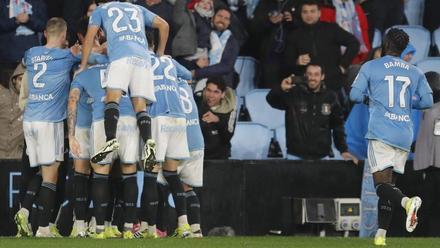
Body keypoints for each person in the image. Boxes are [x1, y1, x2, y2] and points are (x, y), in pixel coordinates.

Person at [350, 28, 433, 246]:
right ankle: (381, 235)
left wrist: (372, 99)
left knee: (380, 185)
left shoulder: (370, 66)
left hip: (381, 131)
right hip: (404, 134)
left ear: (386, 44)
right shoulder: (415, 71)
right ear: (404, 47)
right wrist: (406, 104)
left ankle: (407, 203)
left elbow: (354, 95)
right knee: (390, 184)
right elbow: (427, 102)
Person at [77, 0, 169, 170]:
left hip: (121, 56)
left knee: (112, 99)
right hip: (143, 59)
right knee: (140, 105)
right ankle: (149, 142)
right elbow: (164, 25)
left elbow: (89, 38)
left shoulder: (101, 10)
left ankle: (111, 139)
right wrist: (160, 53)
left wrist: (83, 65)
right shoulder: (137, 8)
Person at [15, 17, 80, 238]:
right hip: (49, 120)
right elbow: (87, 55)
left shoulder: (31, 53)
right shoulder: (66, 56)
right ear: (63, 36)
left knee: (41, 171)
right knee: (51, 175)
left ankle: (24, 210)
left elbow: (26, 63)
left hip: (30, 119)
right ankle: (43, 228)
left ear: (45, 33)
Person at [69, 61, 141, 239]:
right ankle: (128, 229)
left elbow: (72, 100)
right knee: (129, 173)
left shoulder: (83, 74)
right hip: (129, 120)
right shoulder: (123, 67)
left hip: (103, 120)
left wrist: (70, 135)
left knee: (100, 173)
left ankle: (99, 229)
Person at [141, 44, 192, 238]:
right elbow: (188, 75)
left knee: (151, 173)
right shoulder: (168, 60)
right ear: (154, 45)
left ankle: (151, 229)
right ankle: (184, 225)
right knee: (172, 173)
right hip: (178, 118)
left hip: (158, 116)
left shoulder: (140, 60)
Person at [267, 63, 358, 162]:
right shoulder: (294, 93)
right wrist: (281, 89)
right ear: (305, 76)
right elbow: (271, 100)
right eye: (309, 74)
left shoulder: (330, 97)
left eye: (316, 74)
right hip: (295, 156)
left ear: (322, 76)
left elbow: (337, 126)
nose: (312, 78)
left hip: (322, 156)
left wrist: (343, 150)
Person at [155, 78, 205, 238]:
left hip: (180, 137)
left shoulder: (166, 86)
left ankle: (160, 229)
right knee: (187, 187)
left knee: (160, 184)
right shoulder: (186, 86)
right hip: (197, 140)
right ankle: (196, 229)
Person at [283, 0, 359, 92]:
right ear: (301, 14)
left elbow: (354, 43)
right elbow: (286, 61)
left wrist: (343, 65)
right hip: (306, 85)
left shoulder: (331, 29)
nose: (309, 15)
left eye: (312, 11)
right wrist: (297, 61)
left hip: (333, 81)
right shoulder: (294, 35)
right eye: (305, 12)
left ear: (319, 13)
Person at [413, 71, 440, 236]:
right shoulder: (428, 109)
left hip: (434, 167)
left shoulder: (433, 109)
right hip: (430, 166)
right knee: (428, 206)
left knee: (431, 205)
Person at [0, 0, 47, 89]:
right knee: (8, 94)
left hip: (32, 58)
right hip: (8, 58)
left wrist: (28, 20)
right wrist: (15, 21)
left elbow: (44, 25)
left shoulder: (38, 2)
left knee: (31, 94)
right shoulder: (3, 2)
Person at [192, 7, 240, 88]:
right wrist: (195, 63)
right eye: (220, 16)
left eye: (226, 18)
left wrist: (197, 73)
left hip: (222, 85)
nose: (222, 20)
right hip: (198, 81)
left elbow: (226, 66)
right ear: (213, 17)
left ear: (229, 23)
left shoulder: (232, 41)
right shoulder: (203, 35)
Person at [195, 77, 237, 159]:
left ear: (223, 94)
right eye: (208, 90)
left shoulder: (230, 107)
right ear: (204, 90)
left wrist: (218, 120)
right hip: (196, 156)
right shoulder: (195, 102)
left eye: (216, 92)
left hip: (219, 158)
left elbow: (227, 137)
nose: (211, 95)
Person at [0, 63, 25, 159]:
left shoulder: (33, 103)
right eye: (20, 79)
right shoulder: (3, 96)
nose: (23, 84)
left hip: (17, 158)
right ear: (14, 80)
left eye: (26, 80)